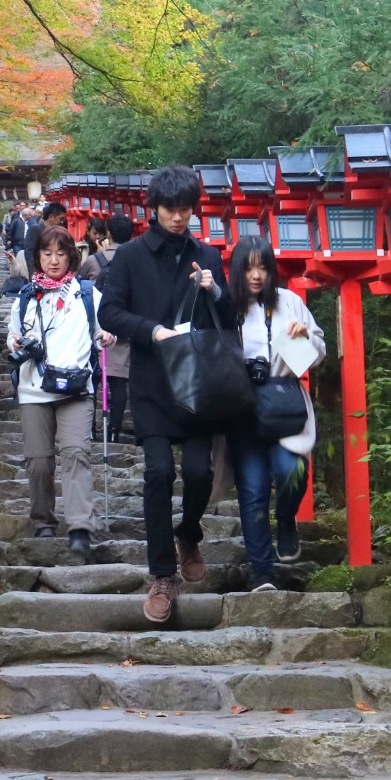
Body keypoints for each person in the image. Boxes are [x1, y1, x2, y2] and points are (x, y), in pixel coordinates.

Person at [98, 167, 238, 623]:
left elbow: (231, 315)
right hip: (153, 383)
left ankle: (189, 532)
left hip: (198, 384)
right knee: (158, 473)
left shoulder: (206, 254)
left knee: (199, 471)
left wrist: (213, 288)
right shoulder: (133, 256)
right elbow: (110, 311)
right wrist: (150, 330)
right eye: (171, 210)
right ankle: (162, 573)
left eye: (185, 210)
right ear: (153, 209)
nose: (179, 218)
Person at [6, 225, 112, 560]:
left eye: (61, 253)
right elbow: (12, 337)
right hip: (34, 388)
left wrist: (107, 336)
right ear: (37, 256)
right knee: (38, 462)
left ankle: (80, 528)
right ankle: (43, 520)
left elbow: (104, 329)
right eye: (47, 253)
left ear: (71, 256)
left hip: (76, 387)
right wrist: (18, 343)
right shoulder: (24, 297)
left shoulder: (86, 294)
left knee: (76, 453)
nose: (54, 261)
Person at [224, 238, 324, 591]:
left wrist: (304, 336)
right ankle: (262, 571)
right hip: (241, 409)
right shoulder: (226, 306)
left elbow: (318, 351)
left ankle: (285, 518)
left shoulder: (289, 302)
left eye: (263, 267)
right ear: (237, 269)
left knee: (293, 470)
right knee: (251, 490)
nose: (256, 275)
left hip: (281, 401)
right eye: (249, 267)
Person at [82, 213, 136, 442]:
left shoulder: (95, 261)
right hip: (124, 325)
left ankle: (91, 430)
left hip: (97, 325)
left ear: (109, 234)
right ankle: (114, 431)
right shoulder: (137, 261)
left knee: (93, 379)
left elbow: (80, 283)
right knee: (119, 379)